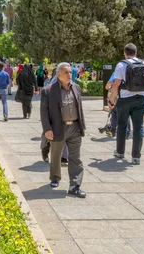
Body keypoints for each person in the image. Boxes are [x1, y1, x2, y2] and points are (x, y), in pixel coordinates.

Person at [41, 62, 87, 198]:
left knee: (75, 157)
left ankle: (75, 185)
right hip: (57, 127)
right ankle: (55, 177)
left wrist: (81, 126)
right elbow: (44, 112)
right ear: (58, 74)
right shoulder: (48, 91)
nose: (69, 75)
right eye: (66, 73)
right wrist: (47, 129)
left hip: (74, 127)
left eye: (70, 72)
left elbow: (80, 108)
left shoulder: (76, 88)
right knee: (56, 155)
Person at [109, 43, 144, 165]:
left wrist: (112, 99)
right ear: (136, 52)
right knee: (138, 127)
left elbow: (116, 84)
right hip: (141, 99)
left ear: (125, 53)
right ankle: (136, 156)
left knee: (122, 125)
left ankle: (120, 152)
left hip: (125, 99)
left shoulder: (121, 65)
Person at [105, 71, 132, 139]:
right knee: (125, 115)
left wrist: (109, 88)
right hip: (128, 97)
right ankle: (127, 133)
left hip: (117, 97)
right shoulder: (131, 72)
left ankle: (113, 131)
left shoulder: (117, 72)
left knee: (114, 113)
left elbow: (109, 84)